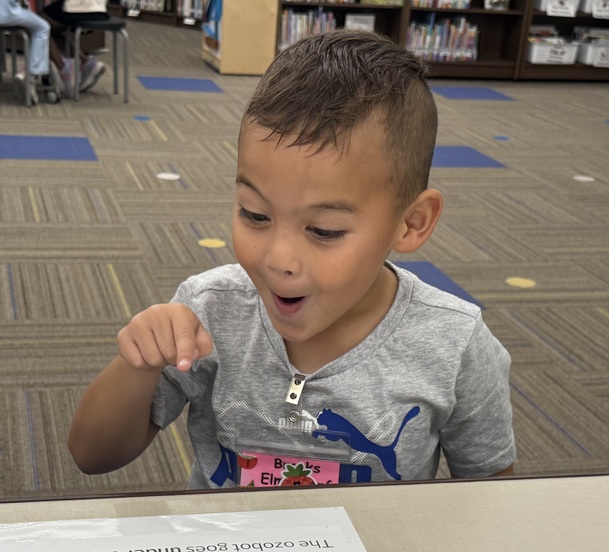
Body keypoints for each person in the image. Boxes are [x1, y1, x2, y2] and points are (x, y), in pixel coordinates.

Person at [68, 29, 516, 489]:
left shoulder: (455, 344)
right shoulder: (208, 310)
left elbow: (489, 495)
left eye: (324, 231)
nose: (278, 258)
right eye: (255, 214)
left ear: (411, 222)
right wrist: (137, 366)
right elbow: (92, 455)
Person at [38, 0, 105, 95]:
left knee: (38, 23)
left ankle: (64, 68)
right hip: (98, 8)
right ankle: (86, 62)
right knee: (50, 29)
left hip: (77, 9)